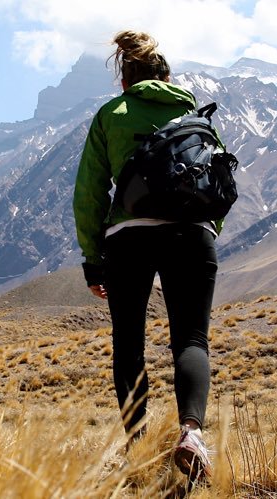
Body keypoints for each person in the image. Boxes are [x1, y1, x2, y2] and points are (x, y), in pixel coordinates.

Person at [72, 30, 219, 482]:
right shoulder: (194, 112)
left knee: (129, 341)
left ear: (125, 81)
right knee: (191, 339)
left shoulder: (112, 114)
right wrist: (207, 231)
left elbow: (90, 192)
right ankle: (191, 433)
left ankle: (137, 446)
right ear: (167, 76)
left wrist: (93, 259)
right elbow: (219, 180)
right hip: (193, 234)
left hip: (128, 237)